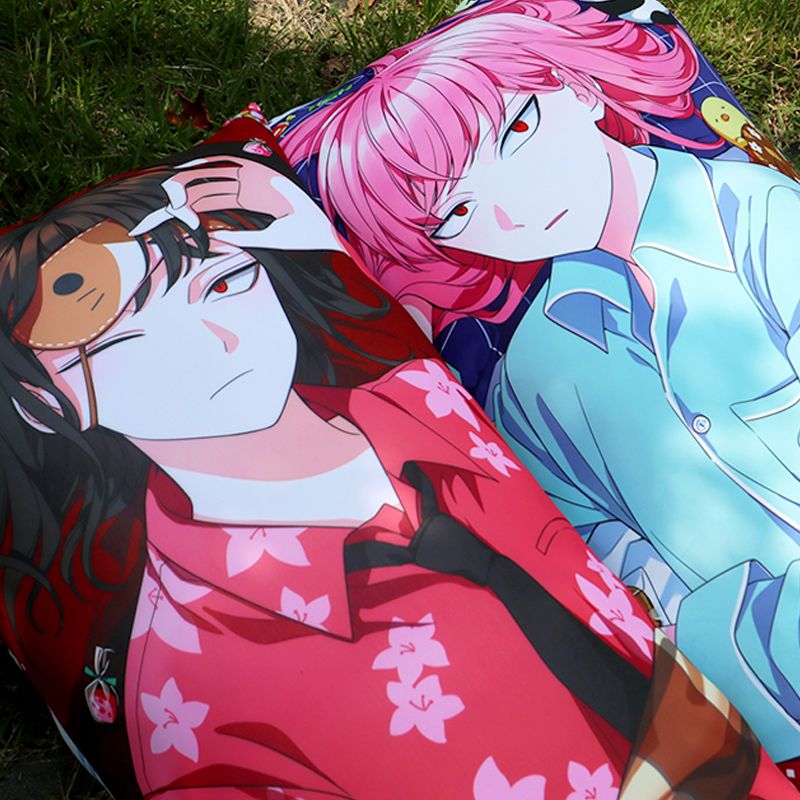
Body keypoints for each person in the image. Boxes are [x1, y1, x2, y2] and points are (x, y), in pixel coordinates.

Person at [5, 131, 789, 799]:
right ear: (46, 403)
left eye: (229, 281)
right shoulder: (186, 682)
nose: (222, 338)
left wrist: (305, 234)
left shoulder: (419, 396)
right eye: (131, 339)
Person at [276, 0, 800, 765]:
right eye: (458, 212)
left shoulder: (758, 218)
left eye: (516, 130)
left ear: (578, 88)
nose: (512, 207)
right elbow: (613, 564)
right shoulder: (526, 379)